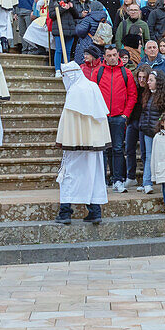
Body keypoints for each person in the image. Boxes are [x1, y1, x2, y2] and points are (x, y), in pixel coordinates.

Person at [55, 61, 111, 225]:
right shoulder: (93, 86)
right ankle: (95, 211)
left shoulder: (74, 91)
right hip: (95, 143)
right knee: (94, 176)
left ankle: (65, 212)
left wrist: (64, 140)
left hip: (76, 144)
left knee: (68, 176)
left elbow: (68, 120)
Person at [95, 45, 137, 193]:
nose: (112, 58)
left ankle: (118, 180)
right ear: (105, 56)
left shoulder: (126, 73)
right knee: (103, 150)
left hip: (119, 117)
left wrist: (125, 114)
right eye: (109, 55)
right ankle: (102, 179)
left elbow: (132, 95)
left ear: (118, 55)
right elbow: (93, 93)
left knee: (118, 149)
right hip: (102, 117)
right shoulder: (98, 72)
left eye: (114, 55)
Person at [138, 71, 165, 194]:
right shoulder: (147, 95)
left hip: (159, 132)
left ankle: (163, 183)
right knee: (148, 156)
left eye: (151, 80)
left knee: (161, 157)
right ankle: (147, 183)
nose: (148, 82)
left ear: (158, 82)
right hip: (147, 131)